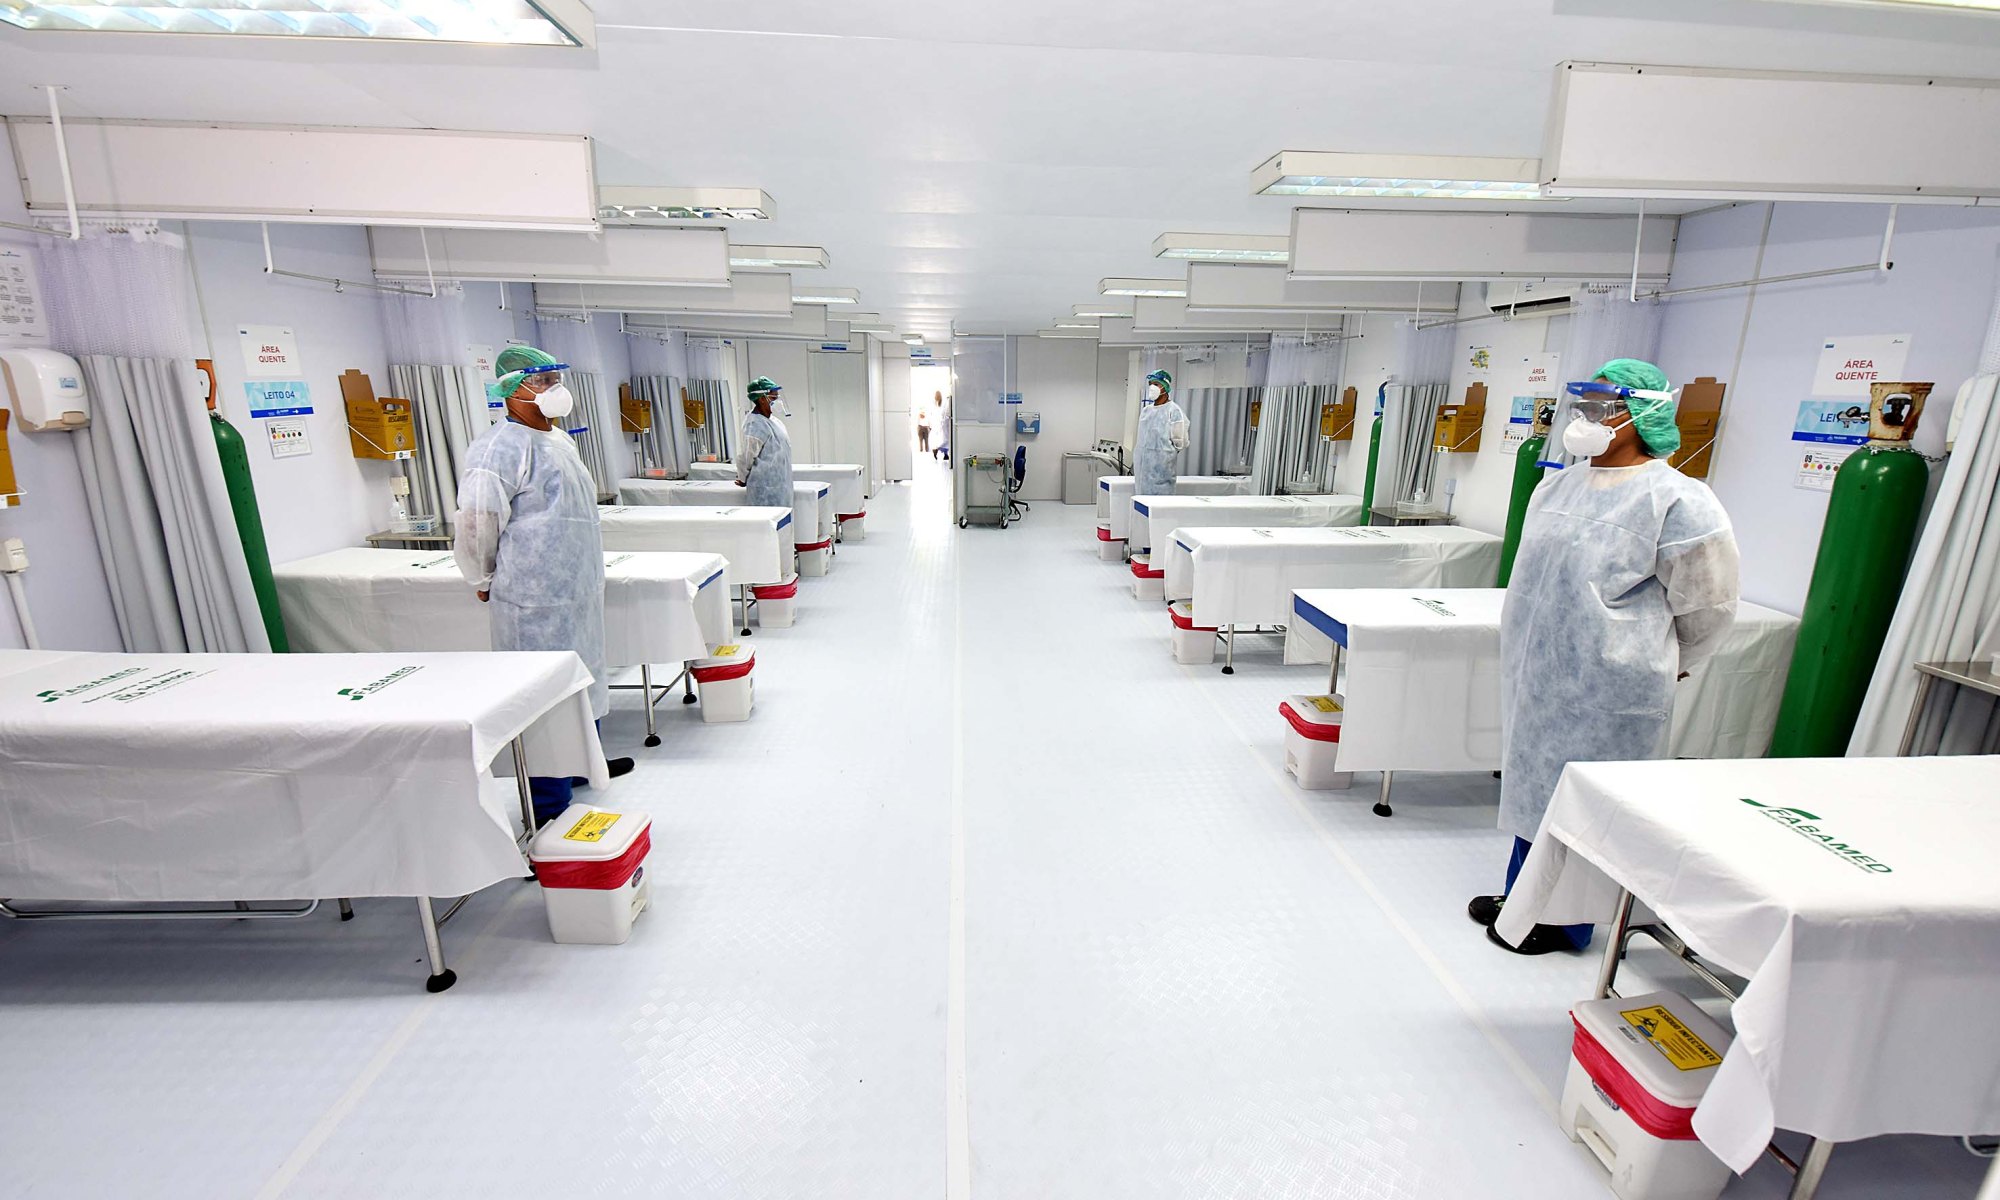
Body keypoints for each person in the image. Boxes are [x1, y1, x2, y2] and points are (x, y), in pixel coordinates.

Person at [1474, 358, 1740, 955]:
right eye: (1584, 404)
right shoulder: (1557, 485)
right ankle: (1524, 897)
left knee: (1588, 803)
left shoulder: (1678, 500)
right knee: (1537, 786)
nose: (1586, 417)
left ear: (1642, 416)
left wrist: (1667, 660)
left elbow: (1709, 604)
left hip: (1611, 684)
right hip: (1540, 671)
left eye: (1601, 406)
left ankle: (1565, 922)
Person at [453, 345, 632, 827]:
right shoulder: (498, 448)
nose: (555, 388)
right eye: (542, 380)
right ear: (512, 390)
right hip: (533, 597)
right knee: (543, 698)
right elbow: (477, 522)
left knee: (583, 678)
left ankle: (583, 766)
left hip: (576, 587)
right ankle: (549, 806)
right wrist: (482, 576)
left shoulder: (559, 441)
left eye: (555, 379)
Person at [735, 375, 794, 508]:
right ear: (762, 399)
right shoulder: (754, 424)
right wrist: (742, 477)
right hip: (765, 489)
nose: (778, 401)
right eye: (773, 398)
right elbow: (746, 456)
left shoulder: (774, 421)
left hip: (782, 484)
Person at [1133, 368, 1190, 496]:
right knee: (1142, 502)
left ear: (1165, 387)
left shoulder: (1174, 411)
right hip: (1142, 471)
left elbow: (1180, 443)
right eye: (1150, 384)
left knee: (1160, 505)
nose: (1152, 387)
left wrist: (1163, 456)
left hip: (1162, 472)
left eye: (1156, 384)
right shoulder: (1146, 411)